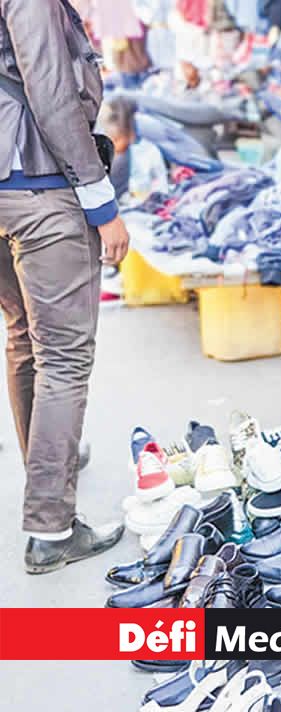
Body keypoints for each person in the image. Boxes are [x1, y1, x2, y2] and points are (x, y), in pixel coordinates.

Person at [0, 0, 131, 573]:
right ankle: (51, 528)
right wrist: (102, 202)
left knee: (26, 335)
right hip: (36, 182)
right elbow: (52, 95)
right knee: (64, 358)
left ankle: (46, 474)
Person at [99, 98, 169, 203]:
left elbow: (160, 183)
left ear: (129, 134)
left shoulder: (148, 152)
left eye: (117, 140)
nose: (113, 145)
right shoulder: (113, 156)